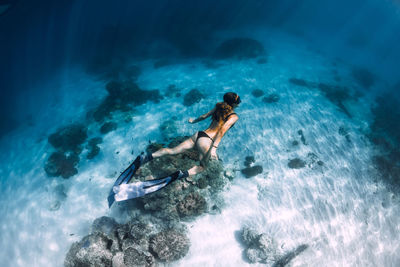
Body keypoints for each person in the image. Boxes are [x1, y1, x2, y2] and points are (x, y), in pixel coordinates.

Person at [139, 92, 241, 179]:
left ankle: (146, 157)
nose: (239, 102)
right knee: (203, 167)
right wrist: (214, 147)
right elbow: (222, 130)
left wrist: (193, 121)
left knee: (172, 151)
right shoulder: (234, 116)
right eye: (238, 101)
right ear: (234, 103)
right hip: (207, 141)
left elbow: (204, 116)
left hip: (199, 134)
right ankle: (182, 174)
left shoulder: (219, 107)